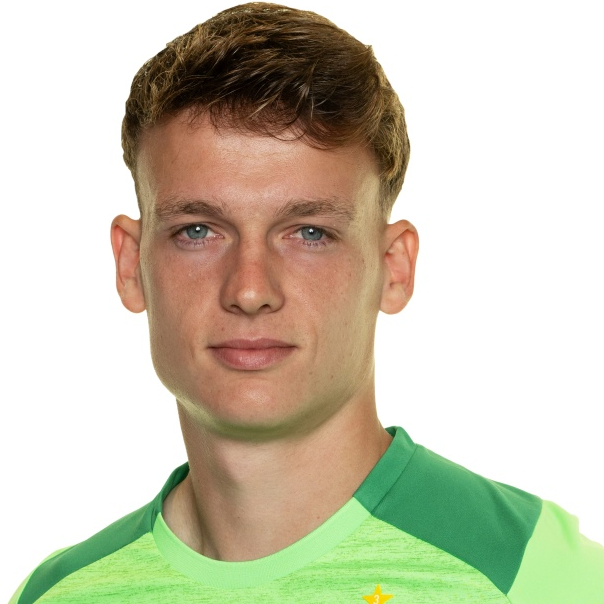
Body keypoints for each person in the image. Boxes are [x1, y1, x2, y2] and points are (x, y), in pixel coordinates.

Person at [9, 3, 604, 603]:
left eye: (310, 233)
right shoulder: (59, 595)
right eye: (198, 231)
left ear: (393, 268)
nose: (249, 291)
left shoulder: (535, 576)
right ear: (129, 264)